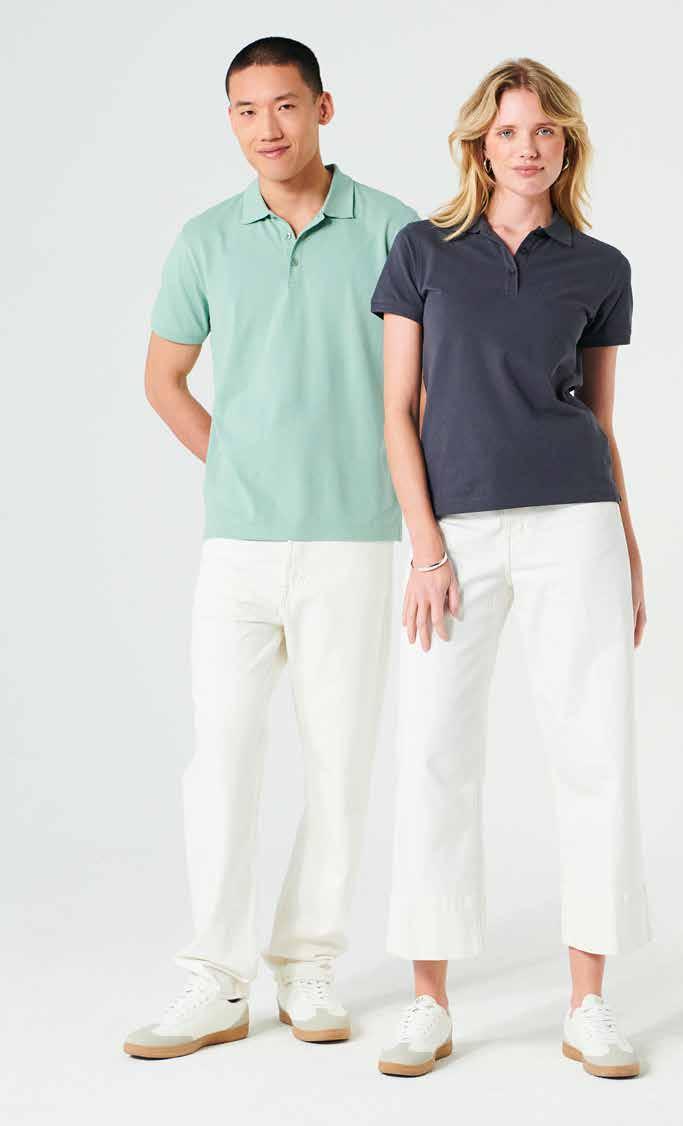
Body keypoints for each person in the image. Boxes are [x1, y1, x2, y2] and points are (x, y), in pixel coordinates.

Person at [123, 36, 418, 1060]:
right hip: (238, 548)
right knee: (222, 763)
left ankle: (307, 960)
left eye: (285, 105)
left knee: (339, 761)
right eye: (246, 110)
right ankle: (215, 980)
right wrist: (233, 464)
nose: (267, 128)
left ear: (323, 108)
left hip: (353, 535)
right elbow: (163, 380)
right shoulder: (205, 239)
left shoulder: (394, 230)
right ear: (231, 120)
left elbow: (425, 384)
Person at [370, 57, 652, 1080]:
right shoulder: (422, 252)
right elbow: (397, 412)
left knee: (593, 751)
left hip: (575, 523)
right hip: (456, 535)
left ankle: (587, 1005)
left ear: (565, 143)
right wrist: (425, 548)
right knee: (433, 751)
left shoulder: (600, 266)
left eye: (543, 130)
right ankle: (427, 1004)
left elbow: (601, 423)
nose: (525, 147)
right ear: (477, 146)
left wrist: (627, 546)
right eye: (506, 131)